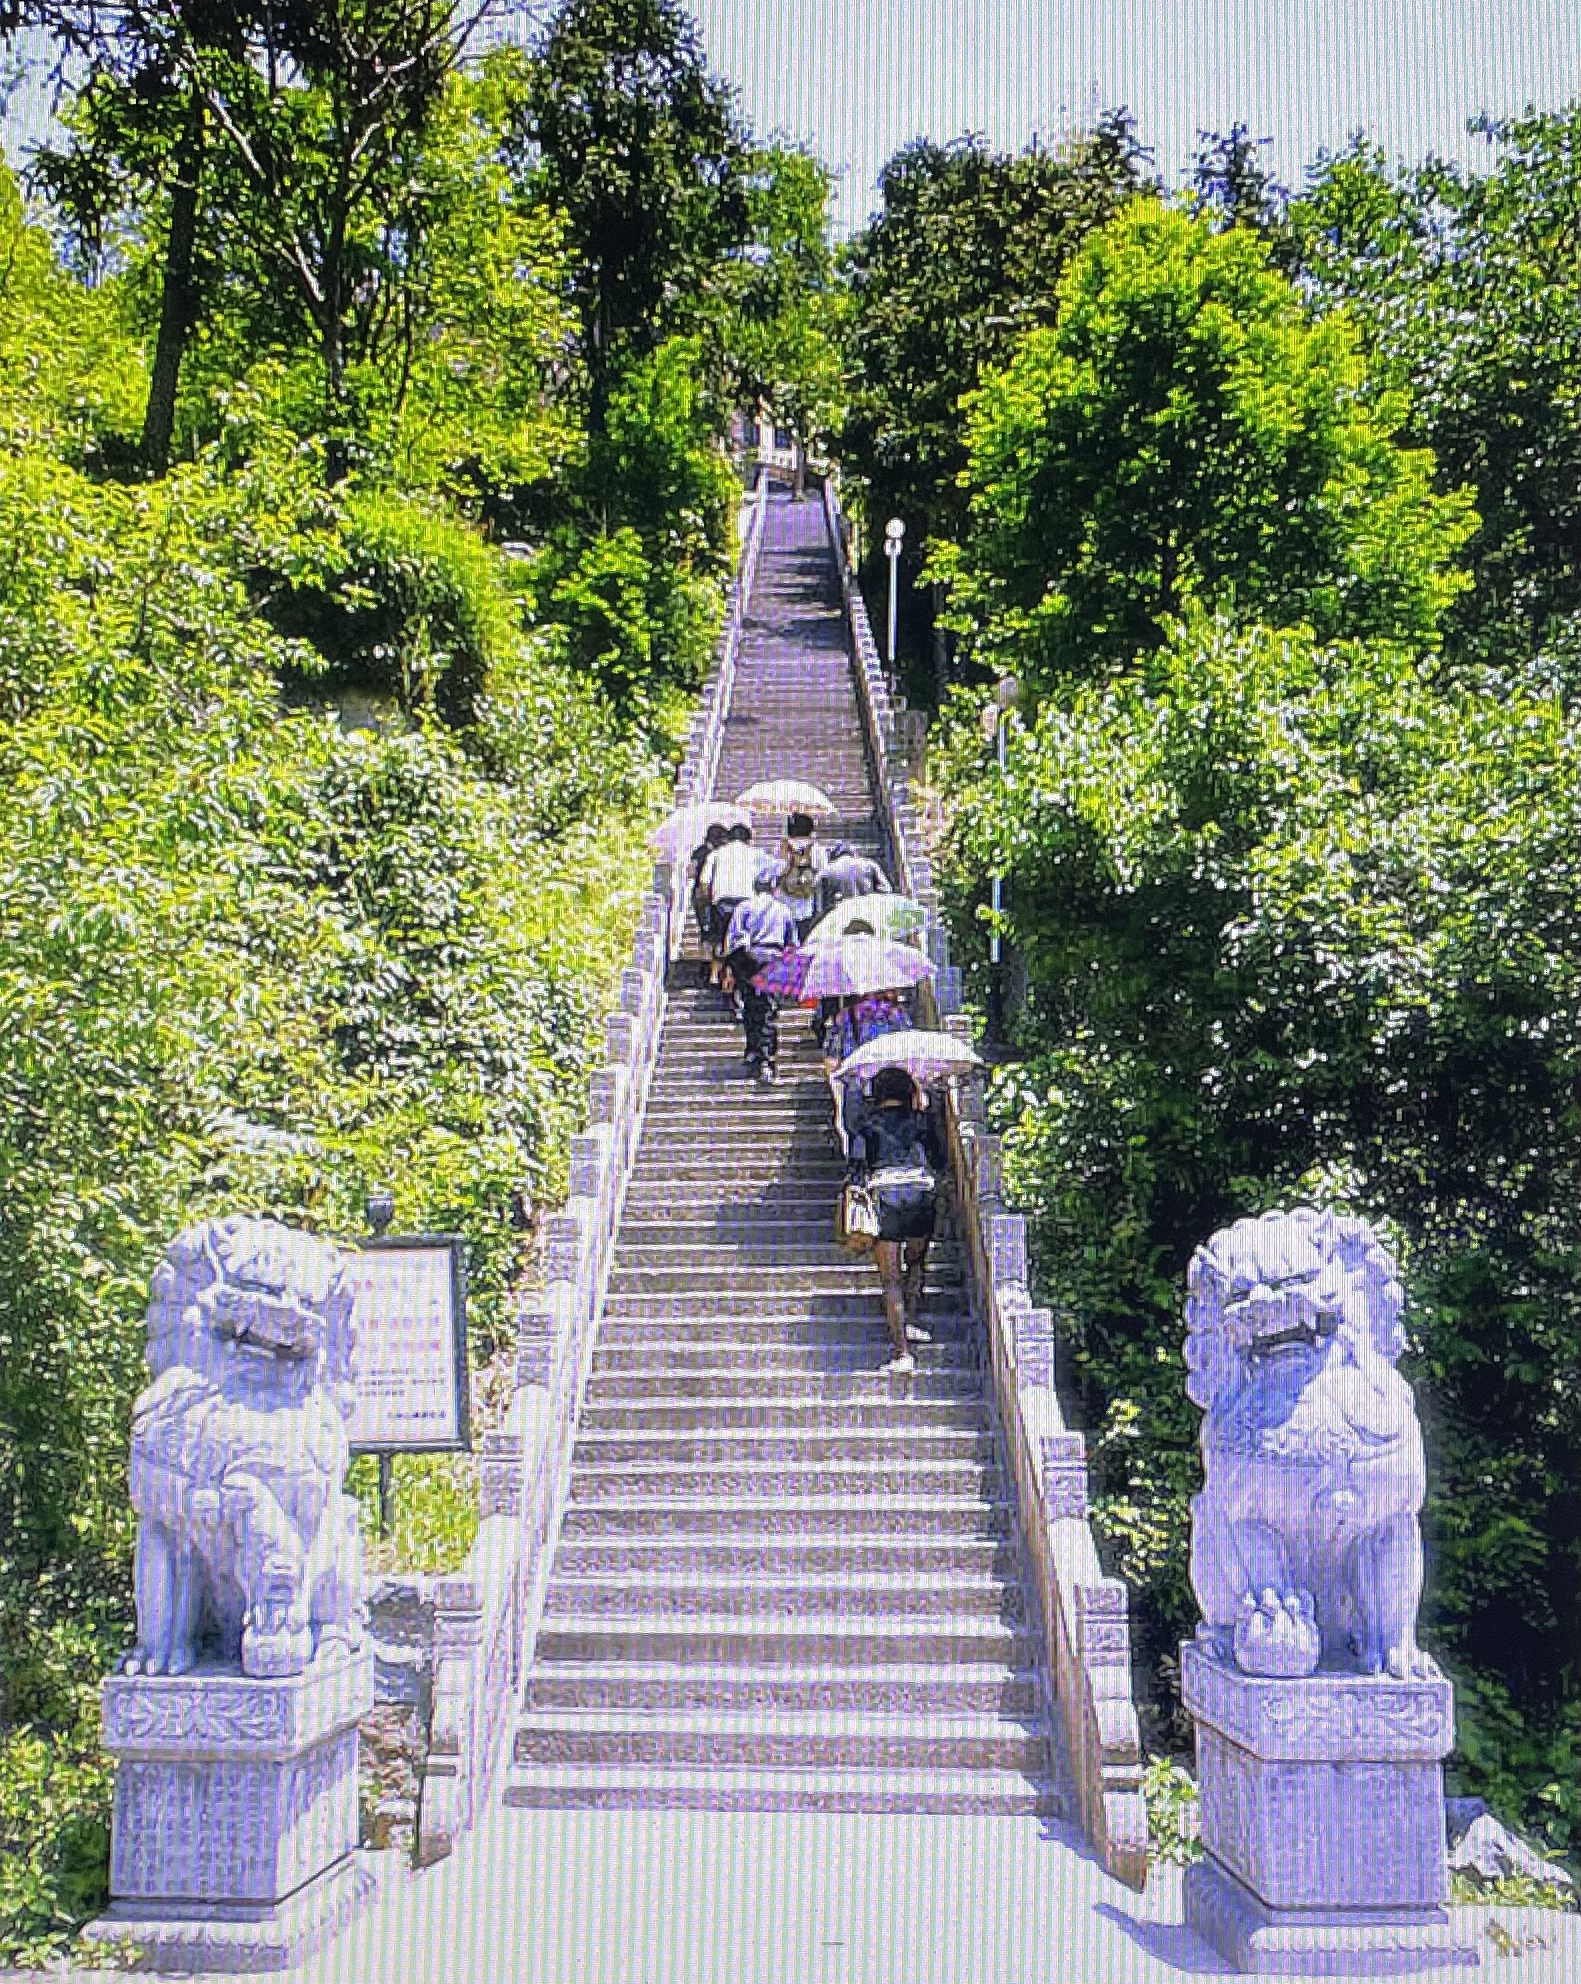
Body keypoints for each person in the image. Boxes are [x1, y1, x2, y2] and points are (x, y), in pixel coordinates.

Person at [846, 1066, 947, 1373]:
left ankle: (902, 1351)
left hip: (885, 1198)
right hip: (920, 1196)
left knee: (891, 1279)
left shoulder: (867, 1126)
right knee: (915, 1263)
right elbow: (939, 1160)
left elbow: (856, 1166)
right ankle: (912, 1318)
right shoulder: (922, 1122)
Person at [724, 883, 799, 1084]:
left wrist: (735, 966)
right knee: (768, 1008)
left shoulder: (744, 907)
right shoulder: (783, 909)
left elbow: (735, 938)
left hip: (750, 956)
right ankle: (767, 1055)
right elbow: (792, 942)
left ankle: (753, 1049)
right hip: (774, 958)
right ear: (774, 889)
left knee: (750, 1005)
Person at [822, 985, 912, 1152]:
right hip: (888, 1087)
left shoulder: (845, 1016)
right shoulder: (897, 1016)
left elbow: (832, 1059)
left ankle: (860, 1170)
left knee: (857, 1135)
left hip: (857, 1085)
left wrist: (837, 1095)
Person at [700, 823, 768, 985]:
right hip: (747, 903)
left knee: (720, 937)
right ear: (748, 839)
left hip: (722, 901)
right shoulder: (755, 854)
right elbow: (766, 878)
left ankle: (715, 975)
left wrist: (708, 903)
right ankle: (743, 975)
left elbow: (704, 882)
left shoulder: (716, 853)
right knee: (745, 940)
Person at [769, 810, 828, 939]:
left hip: (782, 901)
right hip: (806, 903)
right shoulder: (817, 849)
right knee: (804, 937)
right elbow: (822, 876)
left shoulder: (780, 847)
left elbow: (775, 873)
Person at [811, 841, 892, 924]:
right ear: (854, 854)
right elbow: (887, 889)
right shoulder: (869, 864)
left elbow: (818, 900)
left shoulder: (827, 870)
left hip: (841, 916)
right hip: (868, 913)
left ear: (835, 856)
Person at [689, 822, 731, 978]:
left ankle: (706, 968)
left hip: (700, 895)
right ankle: (716, 969)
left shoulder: (699, 852)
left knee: (706, 932)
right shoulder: (720, 854)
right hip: (713, 895)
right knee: (719, 932)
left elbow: (691, 872)